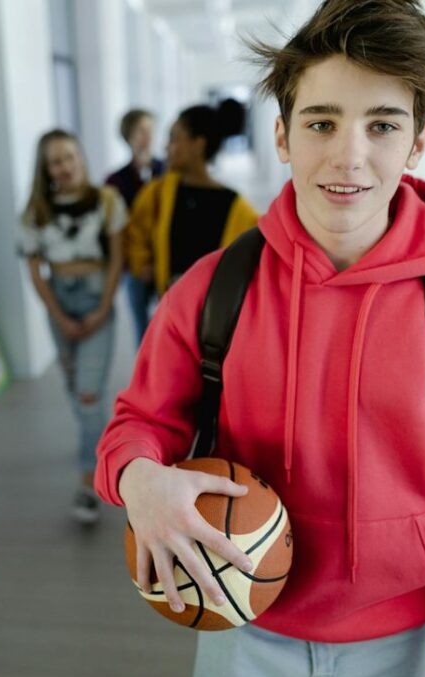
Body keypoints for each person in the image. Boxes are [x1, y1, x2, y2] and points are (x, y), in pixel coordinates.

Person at [95, 1, 425, 677]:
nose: (350, 156)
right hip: (233, 619)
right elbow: (139, 422)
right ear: (282, 136)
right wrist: (138, 478)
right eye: (322, 123)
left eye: (382, 125)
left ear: (418, 141)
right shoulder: (212, 289)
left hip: (393, 640)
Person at [20, 130, 127, 524]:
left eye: (69, 157)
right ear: (46, 169)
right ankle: (93, 440)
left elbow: (117, 259)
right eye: (55, 161)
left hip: (97, 297)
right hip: (59, 302)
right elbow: (35, 271)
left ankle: (90, 481)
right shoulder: (36, 210)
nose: (64, 167)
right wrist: (58, 315)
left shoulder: (107, 201)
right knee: (73, 387)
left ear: (81, 157)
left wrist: (103, 308)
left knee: (87, 394)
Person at [125, 100, 259, 300]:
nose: (166, 147)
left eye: (173, 139)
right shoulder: (160, 192)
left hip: (213, 318)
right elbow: (136, 230)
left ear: (198, 144)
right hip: (170, 308)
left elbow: (249, 264)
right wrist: (142, 264)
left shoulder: (237, 208)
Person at [105, 109, 165, 345]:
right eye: (141, 131)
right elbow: (118, 230)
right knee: (142, 325)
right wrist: (138, 263)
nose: (147, 136)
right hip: (135, 266)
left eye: (150, 131)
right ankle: (146, 377)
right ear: (128, 136)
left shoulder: (168, 171)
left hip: (165, 259)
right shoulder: (115, 181)